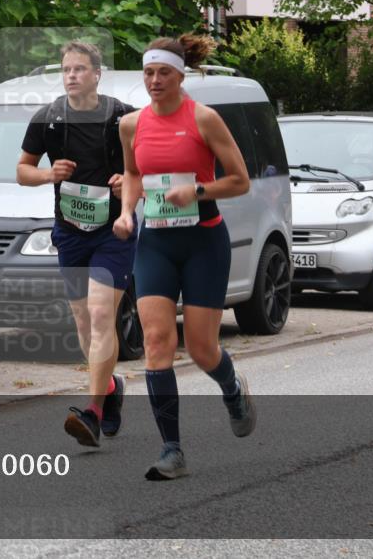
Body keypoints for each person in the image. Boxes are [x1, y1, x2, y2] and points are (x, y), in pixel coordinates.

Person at [113, 34, 256, 480]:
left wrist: (195, 190)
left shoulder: (205, 119)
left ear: (181, 75)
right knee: (157, 342)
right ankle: (171, 449)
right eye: (149, 73)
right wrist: (125, 212)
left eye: (164, 73)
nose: (154, 81)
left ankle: (232, 388)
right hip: (155, 243)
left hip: (203, 242)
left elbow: (240, 181)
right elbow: (134, 173)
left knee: (201, 347)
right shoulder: (131, 125)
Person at [17, 41, 137, 448]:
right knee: (84, 324)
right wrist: (49, 176)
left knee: (103, 315)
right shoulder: (48, 118)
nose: (72, 76)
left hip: (113, 229)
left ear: (97, 74)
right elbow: (22, 171)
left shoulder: (122, 117)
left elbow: (148, 165)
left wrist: (126, 180)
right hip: (70, 230)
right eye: (67, 69)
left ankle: (92, 411)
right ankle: (110, 386)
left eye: (80, 69)